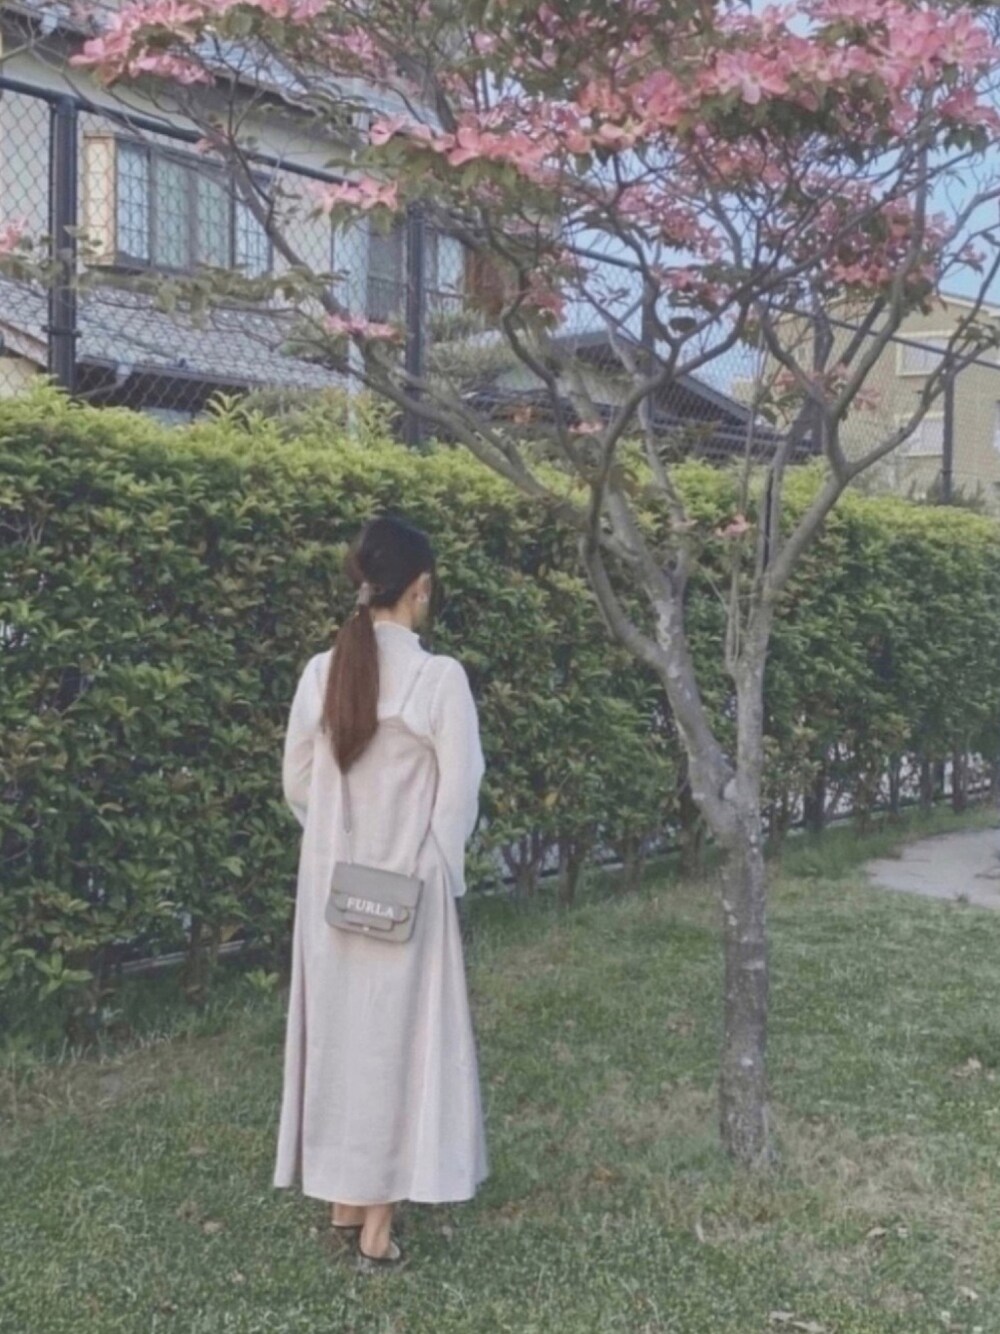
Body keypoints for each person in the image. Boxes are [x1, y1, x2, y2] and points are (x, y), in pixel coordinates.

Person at [272, 514, 489, 1274]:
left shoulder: (321, 672)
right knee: (398, 1047)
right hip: (409, 891)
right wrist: (432, 864)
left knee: (340, 1041)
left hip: (332, 891)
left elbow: (299, 781)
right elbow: (459, 794)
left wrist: (339, 842)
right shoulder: (438, 679)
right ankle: (375, 1227)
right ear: (420, 587)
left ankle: (344, 1198)